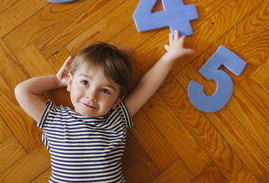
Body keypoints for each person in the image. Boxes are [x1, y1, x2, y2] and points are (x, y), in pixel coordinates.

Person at [15, 30, 194, 182]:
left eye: (106, 91)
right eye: (84, 82)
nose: (91, 95)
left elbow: (145, 87)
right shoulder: (55, 119)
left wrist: (169, 58)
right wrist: (56, 81)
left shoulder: (116, 119)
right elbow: (23, 91)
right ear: (70, 81)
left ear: (117, 101)